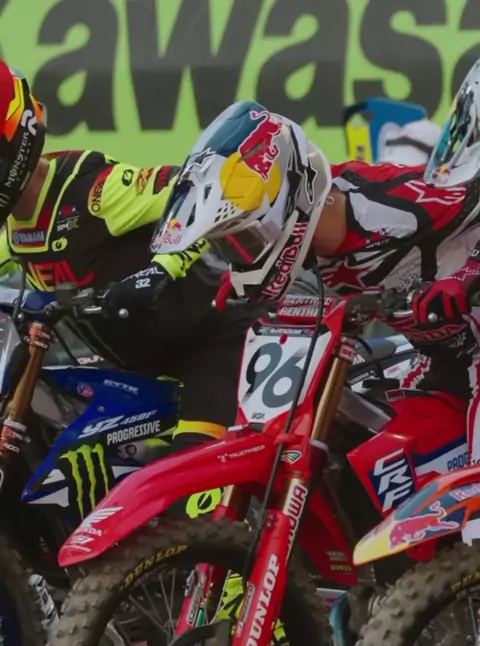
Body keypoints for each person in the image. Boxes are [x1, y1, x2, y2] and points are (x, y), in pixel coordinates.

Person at [151, 79, 480, 467]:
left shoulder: (393, 201)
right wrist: (234, 283)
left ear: (284, 208)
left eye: (244, 239)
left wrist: (465, 276)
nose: (241, 256)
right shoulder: (305, 242)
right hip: (442, 362)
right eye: (229, 246)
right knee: (359, 431)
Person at [0, 60, 258, 461]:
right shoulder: (12, 229)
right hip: (137, 372)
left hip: (211, 345)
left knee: (187, 481)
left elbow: (205, 193)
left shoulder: (96, 191)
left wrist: (160, 270)